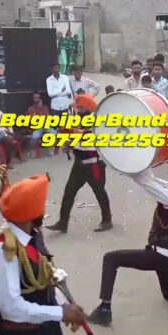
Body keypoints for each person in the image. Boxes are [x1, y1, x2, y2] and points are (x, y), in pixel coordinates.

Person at [87, 161, 168, 326]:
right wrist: (144, 159)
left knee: (110, 259)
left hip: (158, 255)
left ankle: (104, 309)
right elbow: (149, 177)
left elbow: (142, 180)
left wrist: (125, 164)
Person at [0, 174, 86, 335]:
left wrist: (64, 305)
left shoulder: (32, 236)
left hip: (46, 329)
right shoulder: (3, 252)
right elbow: (11, 308)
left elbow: (45, 275)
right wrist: (60, 312)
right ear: (31, 212)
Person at [46, 95, 112, 234]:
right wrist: (68, 143)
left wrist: (72, 139)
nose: (78, 109)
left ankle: (107, 220)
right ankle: (63, 223)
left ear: (88, 108)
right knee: (69, 192)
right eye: (78, 107)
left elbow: (87, 136)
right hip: (79, 163)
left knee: (99, 192)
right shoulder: (78, 120)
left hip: (93, 163)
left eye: (81, 107)